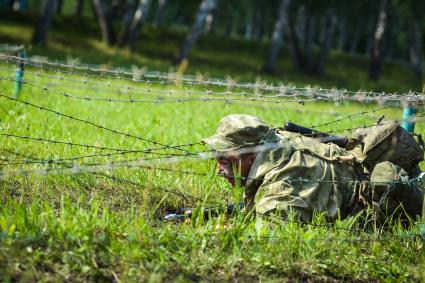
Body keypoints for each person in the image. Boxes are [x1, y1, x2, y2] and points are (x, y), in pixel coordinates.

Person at [202, 114, 424, 222]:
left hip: (379, 207)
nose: (220, 169)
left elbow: (273, 237)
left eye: (225, 159)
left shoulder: (285, 183)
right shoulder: (276, 141)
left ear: (249, 154)